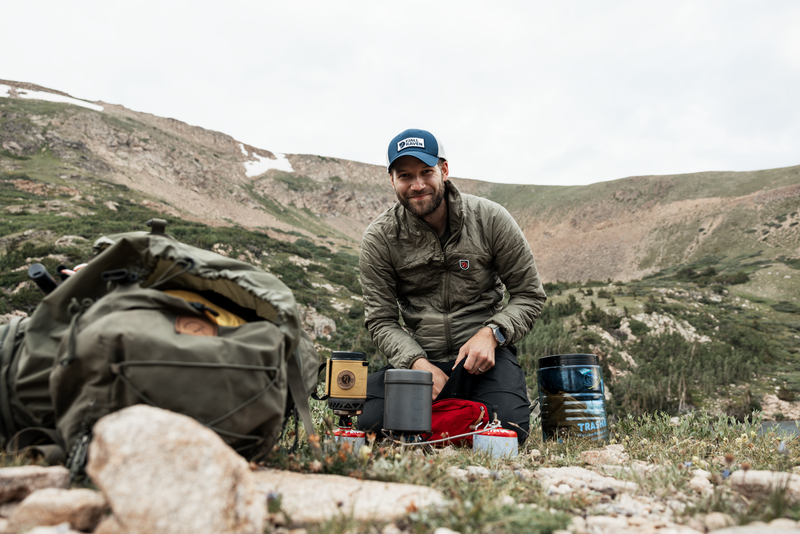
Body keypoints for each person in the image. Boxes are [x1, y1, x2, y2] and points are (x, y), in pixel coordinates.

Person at [357, 128, 547, 442]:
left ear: (444, 170)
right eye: (405, 175)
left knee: (508, 432)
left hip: (484, 360)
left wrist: (492, 333)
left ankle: (432, 424)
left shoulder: (490, 219)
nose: (417, 185)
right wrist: (416, 363)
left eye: (426, 172)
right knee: (364, 421)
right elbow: (381, 320)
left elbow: (528, 295)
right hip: (420, 361)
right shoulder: (380, 238)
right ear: (392, 180)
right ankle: (457, 420)